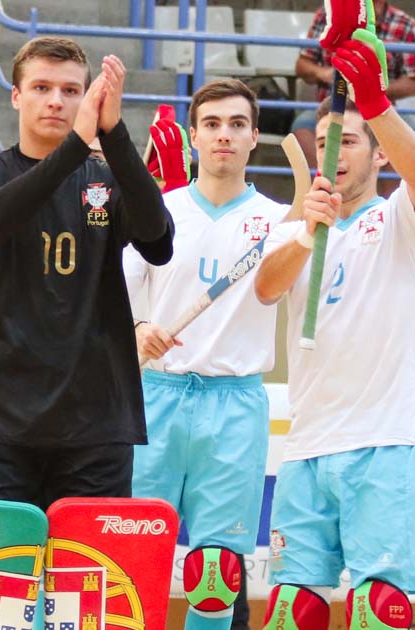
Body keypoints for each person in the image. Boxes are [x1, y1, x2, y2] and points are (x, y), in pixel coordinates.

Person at [0, 36, 173, 510]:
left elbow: (158, 242)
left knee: (86, 583)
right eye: (41, 87)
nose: (56, 100)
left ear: (88, 98)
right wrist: (78, 147)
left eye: (70, 90)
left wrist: (114, 133)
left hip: (95, 425)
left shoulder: (105, 177)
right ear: (17, 96)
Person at [253, 29, 415, 630]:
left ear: (378, 152)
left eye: (351, 139)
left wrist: (375, 101)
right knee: (292, 611)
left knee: (378, 612)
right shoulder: (296, 229)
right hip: (308, 446)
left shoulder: (399, 221)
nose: (335, 149)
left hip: (384, 444)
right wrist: (309, 233)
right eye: (328, 139)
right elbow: (265, 287)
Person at [124, 78, 289, 630]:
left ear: (254, 137)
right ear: (193, 137)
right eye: (213, 124)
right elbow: (110, 304)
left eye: (237, 124)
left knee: (216, 575)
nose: (225, 135)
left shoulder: (283, 221)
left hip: (235, 402)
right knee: (131, 558)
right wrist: (141, 326)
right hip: (155, 397)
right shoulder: (155, 212)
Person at [292, 0, 415, 168]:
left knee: (407, 140)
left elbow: (412, 83)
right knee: (302, 129)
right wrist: (324, 73)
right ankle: (323, 187)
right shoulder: (328, 13)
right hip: (330, 106)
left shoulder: (405, 23)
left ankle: (392, 195)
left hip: (380, 109)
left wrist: (372, 88)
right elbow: (302, 65)